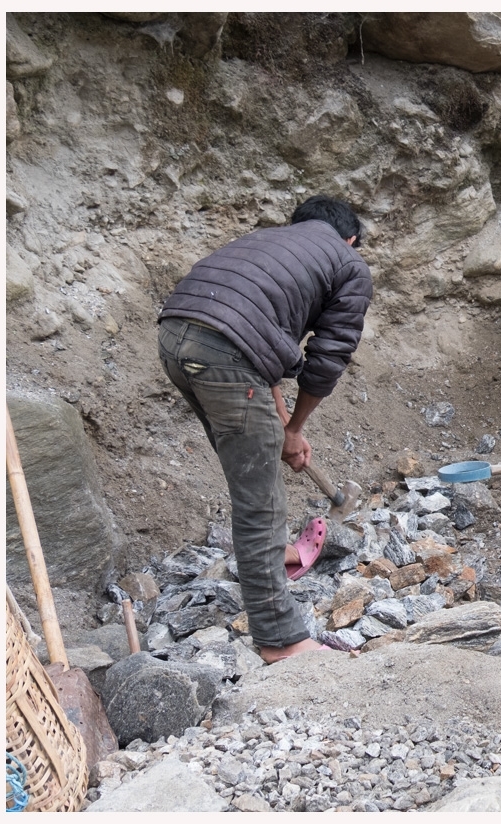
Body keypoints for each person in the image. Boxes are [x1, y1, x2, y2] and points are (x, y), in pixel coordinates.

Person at [157, 195, 372, 662]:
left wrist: (285, 427)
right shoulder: (348, 263)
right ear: (351, 239)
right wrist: (295, 426)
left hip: (175, 336)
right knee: (258, 498)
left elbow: (258, 339)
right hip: (227, 352)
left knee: (252, 471)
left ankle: (277, 554)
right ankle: (280, 639)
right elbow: (328, 357)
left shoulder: (267, 244)